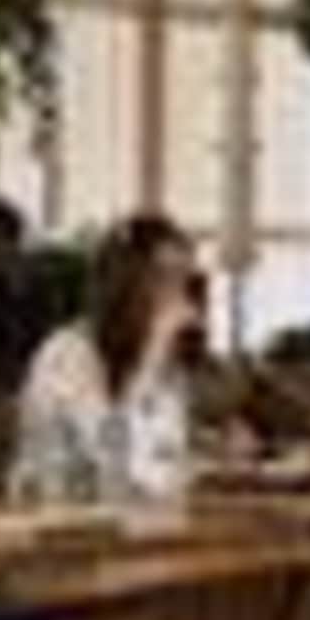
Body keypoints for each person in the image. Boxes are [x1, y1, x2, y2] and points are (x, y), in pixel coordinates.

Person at [15, 210, 203, 500]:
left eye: (183, 281)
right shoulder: (66, 354)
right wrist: (152, 360)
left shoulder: (159, 361)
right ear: (126, 284)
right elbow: (114, 463)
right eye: (163, 279)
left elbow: (163, 469)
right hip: (61, 524)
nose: (178, 297)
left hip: (135, 525)